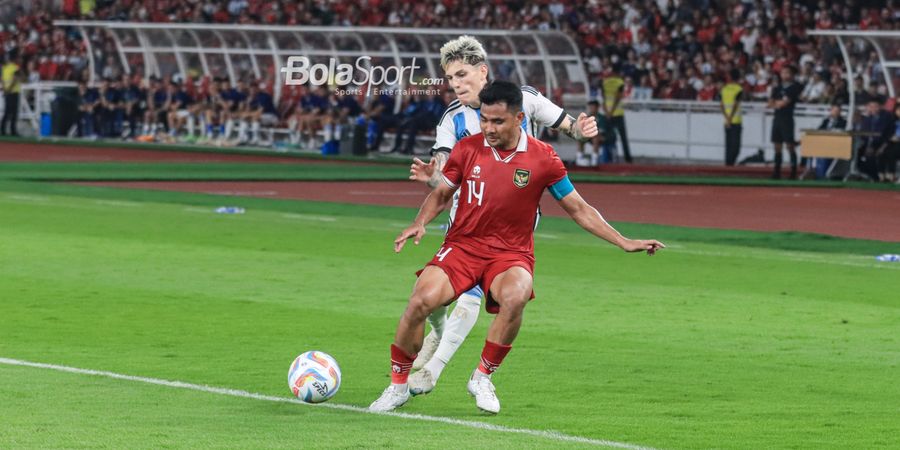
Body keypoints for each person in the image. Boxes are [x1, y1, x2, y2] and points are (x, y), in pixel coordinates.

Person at [368, 80, 664, 414]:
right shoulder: (468, 150)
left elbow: (579, 209)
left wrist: (624, 241)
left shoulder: (543, 158)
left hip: (510, 254)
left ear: (519, 118)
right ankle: (397, 387)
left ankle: (482, 377)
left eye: (498, 121)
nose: (488, 128)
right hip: (464, 246)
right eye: (484, 120)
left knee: (517, 295)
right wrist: (419, 221)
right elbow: (442, 193)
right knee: (420, 300)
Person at [404, 36, 598, 397]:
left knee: (472, 295)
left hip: (513, 220)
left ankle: (433, 370)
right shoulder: (452, 118)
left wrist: (583, 131)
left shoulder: (525, 99)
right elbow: (443, 175)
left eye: (462, 75)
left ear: (482, 72)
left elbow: (569, 126)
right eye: (450, 79)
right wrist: (431, 176)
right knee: (432, 298)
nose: (456, 84)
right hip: (465, 217)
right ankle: (439, 329)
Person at [768, 66, 803, 179]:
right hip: (777, 118)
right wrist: (777, 103)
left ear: (792, 75)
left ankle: (793, 172)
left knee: (789, 145)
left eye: (787, 72)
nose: (784, 75)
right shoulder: (777, 87)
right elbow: (770, 103)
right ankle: (777, 171)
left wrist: (777, 103)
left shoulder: (794, 87)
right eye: (783, 72)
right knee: (777, 145)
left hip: (787, 118)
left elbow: (784, 103)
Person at [856, 99, 894, 181]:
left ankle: (876, 177)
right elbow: (863, 134)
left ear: (880, 107)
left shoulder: (886, 117)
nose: (873, 109)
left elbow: (887, 134)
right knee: (855, 153)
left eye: (875, 107)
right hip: (867, 144)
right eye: (870, 107)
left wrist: (878, 146)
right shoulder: (867, 119)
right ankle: (865, 174)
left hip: (881, 144)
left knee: (874, 156)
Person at [602, 65, 632, 163]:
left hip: (607, 114)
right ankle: (628, 159)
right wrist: (612, 112)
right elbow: (618, 98)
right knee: (623, 138)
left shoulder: (605, 83)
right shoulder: (620, 83)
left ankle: (608, 158)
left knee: (607, 137)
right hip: (618, 113)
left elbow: (604, 99)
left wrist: (607, 112)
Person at [812, 104, 847, 179]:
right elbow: (819, 130)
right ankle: (817, 173)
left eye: (837, 111)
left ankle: (827, 174)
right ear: (830, 111)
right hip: (824, 144)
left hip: (836, 145)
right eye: (834, 111)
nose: (835, 112)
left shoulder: (843, 122)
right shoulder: (825, 121)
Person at [720, 69, 743, 166]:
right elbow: (735, 104)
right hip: (736, 121)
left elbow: (721, 105)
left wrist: (727, 118)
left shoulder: (724, 89)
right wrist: (730, 118)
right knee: (736, 147)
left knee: (728, 146)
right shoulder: (739, 89)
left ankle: (727, 166)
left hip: (726, 121)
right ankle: (731, 165)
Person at [1, 54, 22, 136]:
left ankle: (5, 131)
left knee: (8, 112)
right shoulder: (10, 67)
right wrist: (7, 89)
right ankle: (11, 131)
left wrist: (6, 90)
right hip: (12, 92)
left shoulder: (8, 67)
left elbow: (13, 79)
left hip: (10, 92)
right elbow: (14, 79)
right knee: (12, 112)